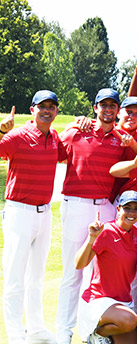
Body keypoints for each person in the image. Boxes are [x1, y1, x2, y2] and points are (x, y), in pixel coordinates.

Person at [56, 88, 137, 344]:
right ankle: (64, 331)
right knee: (74, 271)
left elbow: (136, 161)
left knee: (96, 271)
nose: (108, 110)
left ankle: (91, 329)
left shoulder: (121, 139)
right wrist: (71, 123)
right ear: (95, 108)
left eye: (113, 106)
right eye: (103, 105)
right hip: (76, 204)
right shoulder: (76, 131)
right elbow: (54, 151)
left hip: (104, 207)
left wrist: (133, 144)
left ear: (118, 111)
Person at [0, 91, 66, 344]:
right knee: (16, 275)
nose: (47, 111)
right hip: (19, 212)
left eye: (51, 106)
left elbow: (65, 154)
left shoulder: (54, 138)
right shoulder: (17, 135)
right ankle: (16, 335)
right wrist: (1, 130)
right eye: (42, 107)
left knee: (36, 275)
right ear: (32, 109)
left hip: (44, 212)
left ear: (56, 111)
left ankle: (36, 328)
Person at [75, 190, 137, 344]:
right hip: (99, 300)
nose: (131, 212)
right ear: (118, 209)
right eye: (127, 207)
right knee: (130, 320)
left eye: (136, 208)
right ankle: (97, 334)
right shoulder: (105, 231)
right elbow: (79, 264)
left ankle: (106, 334)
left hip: (122, 302)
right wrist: (91, 238)